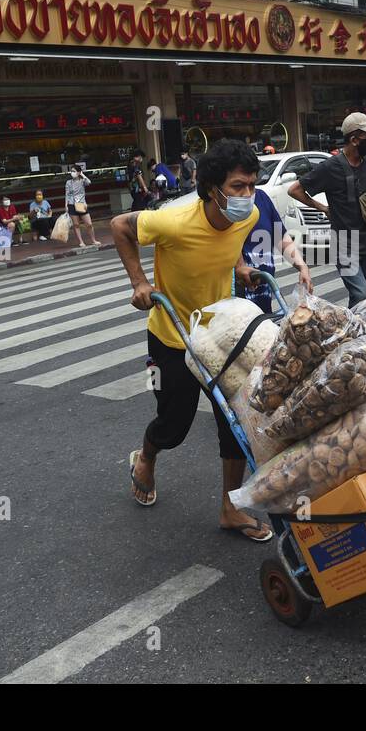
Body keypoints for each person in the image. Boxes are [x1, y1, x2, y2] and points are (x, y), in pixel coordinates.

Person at [110, 139, 272, 541]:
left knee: (234, 423)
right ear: (212, 188)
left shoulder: (246, 217)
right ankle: (146, 456)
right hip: (172, 335)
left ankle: (230, 509)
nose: (247, 195)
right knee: (175, 423)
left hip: (220, 335)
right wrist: (140, 282)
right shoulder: (174, 220)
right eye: (238, 186)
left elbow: (230, 247)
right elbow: (119, 227)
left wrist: (241, 267)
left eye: (252, 185)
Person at [288, 111, 366, 306]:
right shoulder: (330, 167)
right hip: (345, 244)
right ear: (354, 139)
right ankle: (353, 331)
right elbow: (295, 190)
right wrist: (322, 207)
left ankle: (361, 334)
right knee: (360, 295)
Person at [240, 187, 313, 313]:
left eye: (251, 184)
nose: (248, 192)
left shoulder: (261, 197)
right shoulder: (223, 207)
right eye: (239, 185)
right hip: (235, 304)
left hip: (263, 299)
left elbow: (280, 236)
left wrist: (302, 267)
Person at [65, 164, 102, 249]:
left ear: (78, 172)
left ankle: (93, 240)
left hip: (81, 204)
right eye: (71, 171)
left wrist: (82, 174)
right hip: (71, 204)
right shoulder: (68, 182)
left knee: (89, 224)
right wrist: (66, 205)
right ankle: (81, 242)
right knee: (76, 224)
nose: (72, 173)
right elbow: (67, 194)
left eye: (74, 171)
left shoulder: (82, 181)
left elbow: (89, 182)